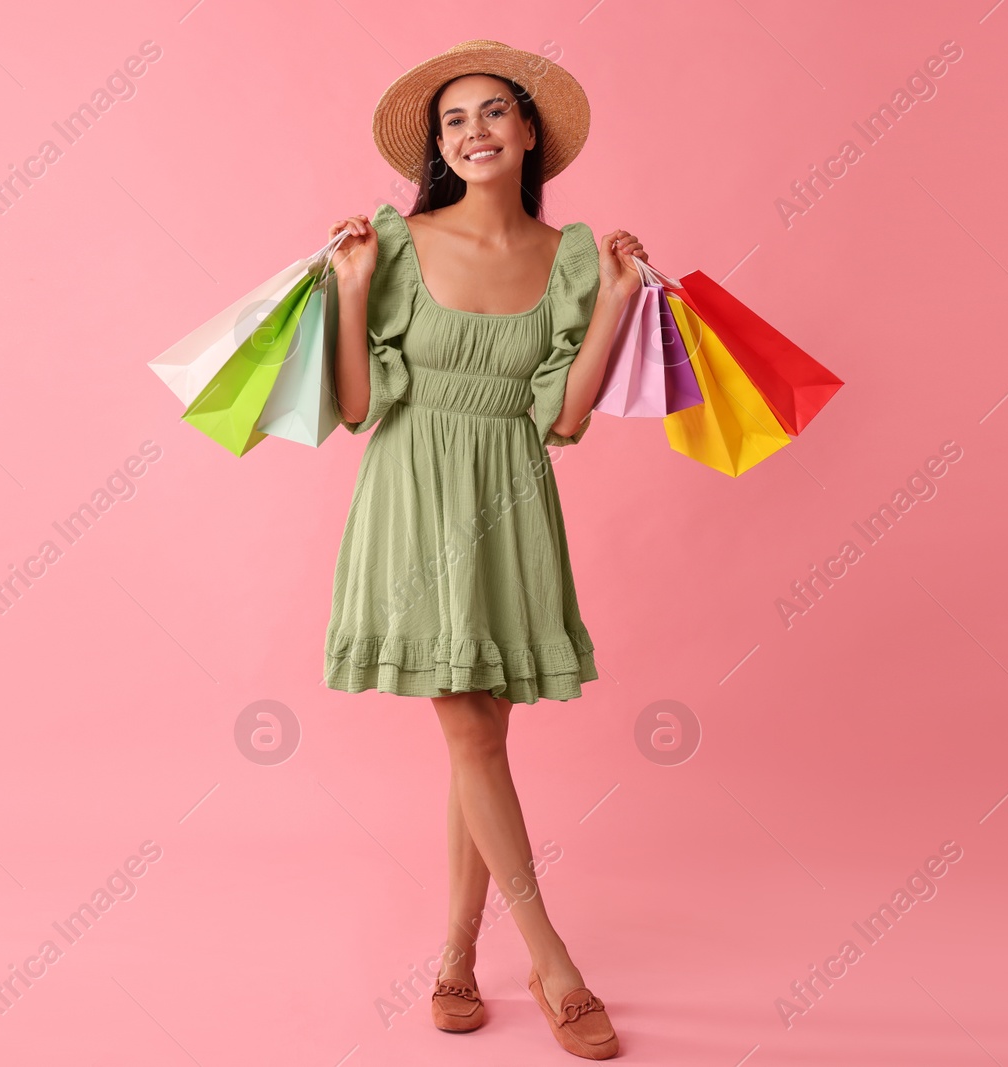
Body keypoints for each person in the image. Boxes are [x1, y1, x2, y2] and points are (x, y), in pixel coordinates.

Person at [322, 39, 648, 1060]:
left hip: (510, 501)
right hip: (411, 500)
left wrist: (623, 301)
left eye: (492, 115)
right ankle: (554, 961)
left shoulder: (571, 259)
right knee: (468, 727)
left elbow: (565, 418)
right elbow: (358, 402)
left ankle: (457, 957)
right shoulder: (395, 241)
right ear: (437, 145)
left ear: (528, 133)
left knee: (483, 739)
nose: (472, 133)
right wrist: (346, 288)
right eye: (453, 120)